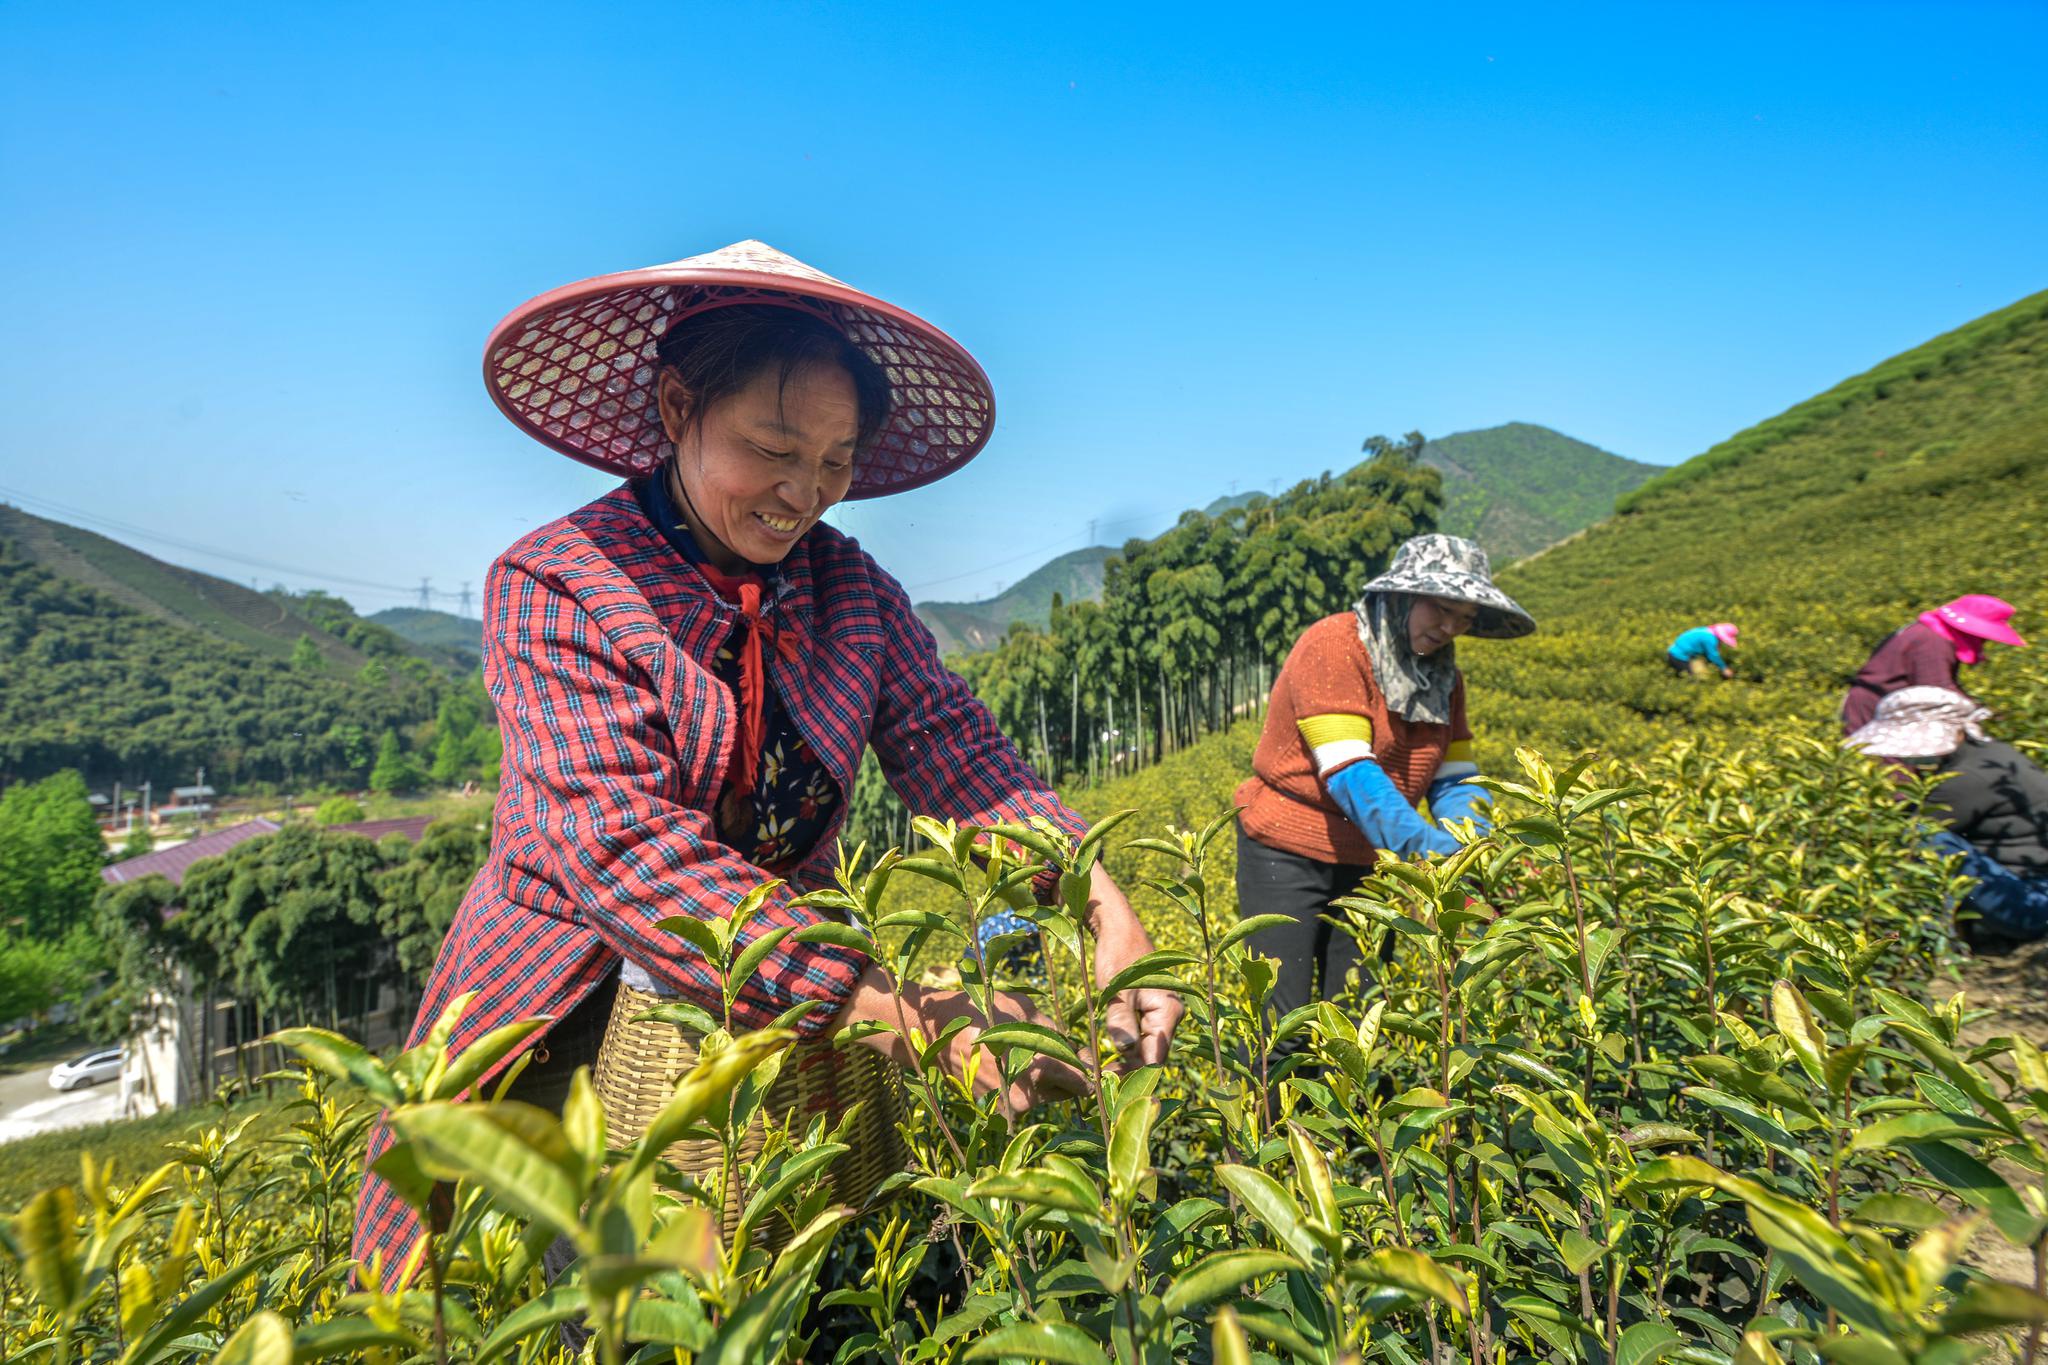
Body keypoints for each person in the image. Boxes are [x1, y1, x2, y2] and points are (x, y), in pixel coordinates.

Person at [352, 241, 1182, 1282]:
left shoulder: (852, 590)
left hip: (801, 982)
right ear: (672, 409)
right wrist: (913, 1016)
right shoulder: (558, 581)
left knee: (830, 1276)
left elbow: (955, 755)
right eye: (771, 447)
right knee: (606, 1297)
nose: (804, 493)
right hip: (576, 993)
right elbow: (625, 850)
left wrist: (1101, 905)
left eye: (836, 462)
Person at [1233, 534, 1535, 1022]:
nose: (1450, 628)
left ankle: (1351, 1101)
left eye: (1464, 619)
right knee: (1282, 1019)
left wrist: (1472, 848)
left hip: (1375, 856)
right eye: (1440, 609)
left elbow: (1455, 780)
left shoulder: (1444, 678)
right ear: (1400, 598)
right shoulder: (1334, 645)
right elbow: (1351, 771)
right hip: (1287, 852)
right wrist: (1432, 858)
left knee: (1360, 1013)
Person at [1846, 686, 2048, 941]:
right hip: (2028, 890)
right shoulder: (1991, 755)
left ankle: (1937, 943)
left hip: (2032, 906)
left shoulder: (1967, 777)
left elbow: (1902, 832)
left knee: (1920, 837)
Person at [1842, 595, 2027, 734]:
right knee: (1892, 775)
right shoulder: (1932, 641)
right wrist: (1983, 715)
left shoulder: (1930, 632)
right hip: (1875, 708)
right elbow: (1937, 691)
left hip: (1888, 706)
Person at [1666, 622, 1739, 679]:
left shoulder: (1707, 631)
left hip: (1675, 653)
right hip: (1678, 657)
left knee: (1699, 673)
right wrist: (1724, 668)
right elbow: (1713, 656)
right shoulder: (1710, 639)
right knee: (1690, 680)